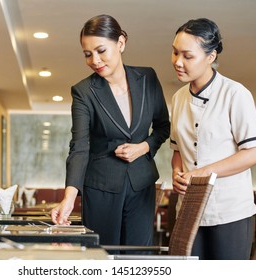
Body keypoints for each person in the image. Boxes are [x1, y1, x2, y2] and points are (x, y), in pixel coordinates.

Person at [51, 14, 170, 251]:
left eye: (101, 50)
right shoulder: (84, 92)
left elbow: (162, 127)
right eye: (87, 54)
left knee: (138, 259)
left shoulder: (147, 78)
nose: (95, 60)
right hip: (100, 188)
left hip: (141, 185)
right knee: (102, 258)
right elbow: (80, 146)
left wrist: (143, 147)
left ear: (121, 43)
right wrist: (69, 196)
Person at [170, 18, 256, 260]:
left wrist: (201, 174)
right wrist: (177, 172)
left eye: (187, 56)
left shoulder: (236, 94)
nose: (178, 62)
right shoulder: (178, 98)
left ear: (210, 57)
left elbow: (254, 152)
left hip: (230, 211)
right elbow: (178, 150)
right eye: (174, 52)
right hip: (188, 210)